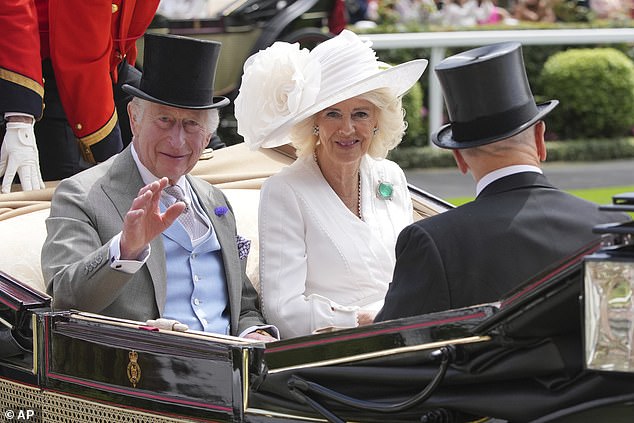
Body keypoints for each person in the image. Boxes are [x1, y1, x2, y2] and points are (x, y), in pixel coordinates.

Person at [41, 33, 276, 342]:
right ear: (134, 119)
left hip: (234, 373)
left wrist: (255, 331)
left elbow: (243, 306)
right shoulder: (82, 196)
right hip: (146, 373)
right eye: (164, 120)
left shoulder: (215, 199)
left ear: (207, 136)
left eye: (192, 124)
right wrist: (126, 248)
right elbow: (63, 301)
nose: (177, 141)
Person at [375, 42, 630, 321]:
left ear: (459, 157)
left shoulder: (434, 242)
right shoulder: (613, 228)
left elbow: (387, 348)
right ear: (540, 139)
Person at [234, 30, 428, 338]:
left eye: (360, 114)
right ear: (314, 122)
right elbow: (283, 313)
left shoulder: (390, 176)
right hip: (333, 356)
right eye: (333, 113)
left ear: (377, 120)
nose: (347, 128)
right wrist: (361, 320)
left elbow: (412, 275)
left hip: (404, 339)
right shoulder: (285, 191)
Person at [0, 0, 159, 193]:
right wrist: (20, 118)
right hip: (33, 66)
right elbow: (81, 49)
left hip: (105, 59)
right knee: (64, 186)